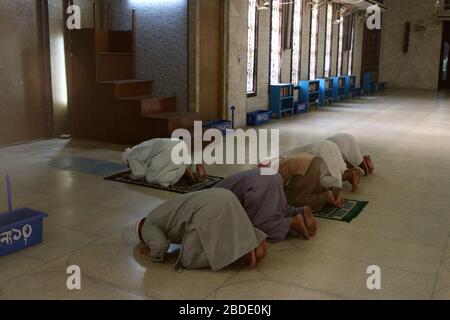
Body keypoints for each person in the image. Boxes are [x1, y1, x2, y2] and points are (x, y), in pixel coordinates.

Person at [136, 189, 267, 271]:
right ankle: (253, 238)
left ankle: (239, 252)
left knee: (188, 260)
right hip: (223, 194)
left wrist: (153, 255)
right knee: (212, 232)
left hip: (207, 209)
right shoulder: (159, 212)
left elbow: (160, 245)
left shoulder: (147, 225)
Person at [214, 169, 317, 242]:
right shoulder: (224, 184)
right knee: (279, 208)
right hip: (273, 175)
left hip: (258, 183)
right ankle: (300, 211)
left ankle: (291, 223)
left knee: (257, 225)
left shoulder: (214, 195)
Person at [122, 138, 206, 187]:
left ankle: (182, 171)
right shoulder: (140, 146)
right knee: (176, 160)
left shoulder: (132, 156)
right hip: (178, 143)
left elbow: (140, 174)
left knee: (151, 178)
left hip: (167, 151)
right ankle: (193, 166)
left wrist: (131, 175)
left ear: (127, 161)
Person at [277, 153, 345, 211]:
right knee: (309, 189)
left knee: (290, 201)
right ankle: (333, 192)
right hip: (312, 161)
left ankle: (325, 197)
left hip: (302, 170)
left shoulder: (269, 174)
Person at [287, 140, 361, 191]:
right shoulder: (291, 153)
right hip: (330, 145)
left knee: (318, 180)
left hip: (321, 152)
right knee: (337, 169)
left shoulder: (286, 158)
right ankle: (351, 172)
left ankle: (349, 176)